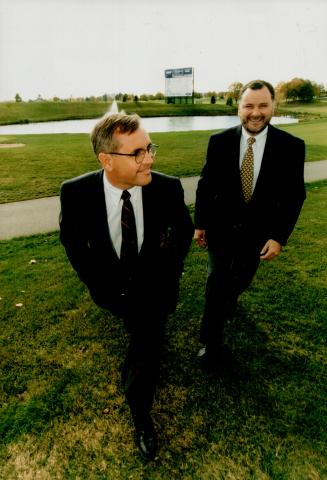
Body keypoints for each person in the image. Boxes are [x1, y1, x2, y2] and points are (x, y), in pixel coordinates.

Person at [59, 113, 193, 459]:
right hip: (112, 292)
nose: (148, 158)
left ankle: (140, 412)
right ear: (106, 160)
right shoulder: (75, 193)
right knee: (136, 330)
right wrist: (97, 286)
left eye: (149, 149)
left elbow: (181, 235)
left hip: (155, 292)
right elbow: (73, 244)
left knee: (146, 349)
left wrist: (170, 274)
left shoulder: (168, 187)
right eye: (137, 153)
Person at [194, 79, 306, 373]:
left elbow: (295, 195)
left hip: (257, 236)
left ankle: (230, 301)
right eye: (248, 106)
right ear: (238, 108)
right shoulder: (218, 142)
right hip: (220, 231)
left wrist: (279, 237)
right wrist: (201, 224)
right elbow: (205, 186)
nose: (255, 112)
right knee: (216, 281)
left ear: (273, 107)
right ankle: (210, 342)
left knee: (240, 280)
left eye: (262, 105)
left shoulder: (292, 147)